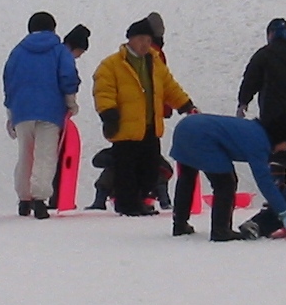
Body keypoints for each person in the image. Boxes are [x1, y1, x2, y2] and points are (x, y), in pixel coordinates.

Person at [93, 17, 196, 216]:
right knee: (127, 170)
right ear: (130, 39)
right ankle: (128, 205)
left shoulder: (155, 62)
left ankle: (138, 200)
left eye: (148, 40)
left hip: (150, 126)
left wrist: (186, 105)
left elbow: (170, 87)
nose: (145, 44)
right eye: (141, 39)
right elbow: (103, 91)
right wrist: (109, 114)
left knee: (150, 169)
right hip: (126, 127)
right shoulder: (112, 64)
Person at [170, 114, 286, 241]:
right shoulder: (259, 142)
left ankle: (179, 225)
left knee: (187, 178)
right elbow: (265, 181)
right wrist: (284, 212)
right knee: (225, 184)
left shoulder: (253, 129)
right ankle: (221, 231)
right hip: (203, 138)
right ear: (281, 138)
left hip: (185, 127)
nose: (285, 148)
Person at [3, 11, 80, 219]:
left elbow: (9, 82)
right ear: (53, 28)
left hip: (22, 110)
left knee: (25, 154)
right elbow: (68, 76)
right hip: (50, 110)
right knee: (45, 155)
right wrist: (70, 102)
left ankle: (23, 199)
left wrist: (10, 111)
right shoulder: (59, 50)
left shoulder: (17, 52)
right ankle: (39, 199)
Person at [237, 18, 286, 188]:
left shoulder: (265, 54)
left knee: (277, 153)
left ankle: (278, 197)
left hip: (275, 116)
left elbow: (250, 80)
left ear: (270, 34)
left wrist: (243, 102)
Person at [46, 23, 91, 209]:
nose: (80, 56)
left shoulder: (51, 55)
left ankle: (43, 197)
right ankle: (55, 197)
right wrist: (71, 105)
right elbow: (69, 80)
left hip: (42, 111)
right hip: (55, 114)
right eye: (80, 51)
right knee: (56, 156)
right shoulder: (64, 57)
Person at [84, 147, 174, 210]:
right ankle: (99, 201)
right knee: (110, 172)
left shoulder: (150, 154)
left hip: (144, 191)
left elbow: (167, 171)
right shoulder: (117, 152)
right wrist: (118, 162)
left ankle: (165, 202)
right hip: (120, 190)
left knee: (155, 173)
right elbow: (96, 161)